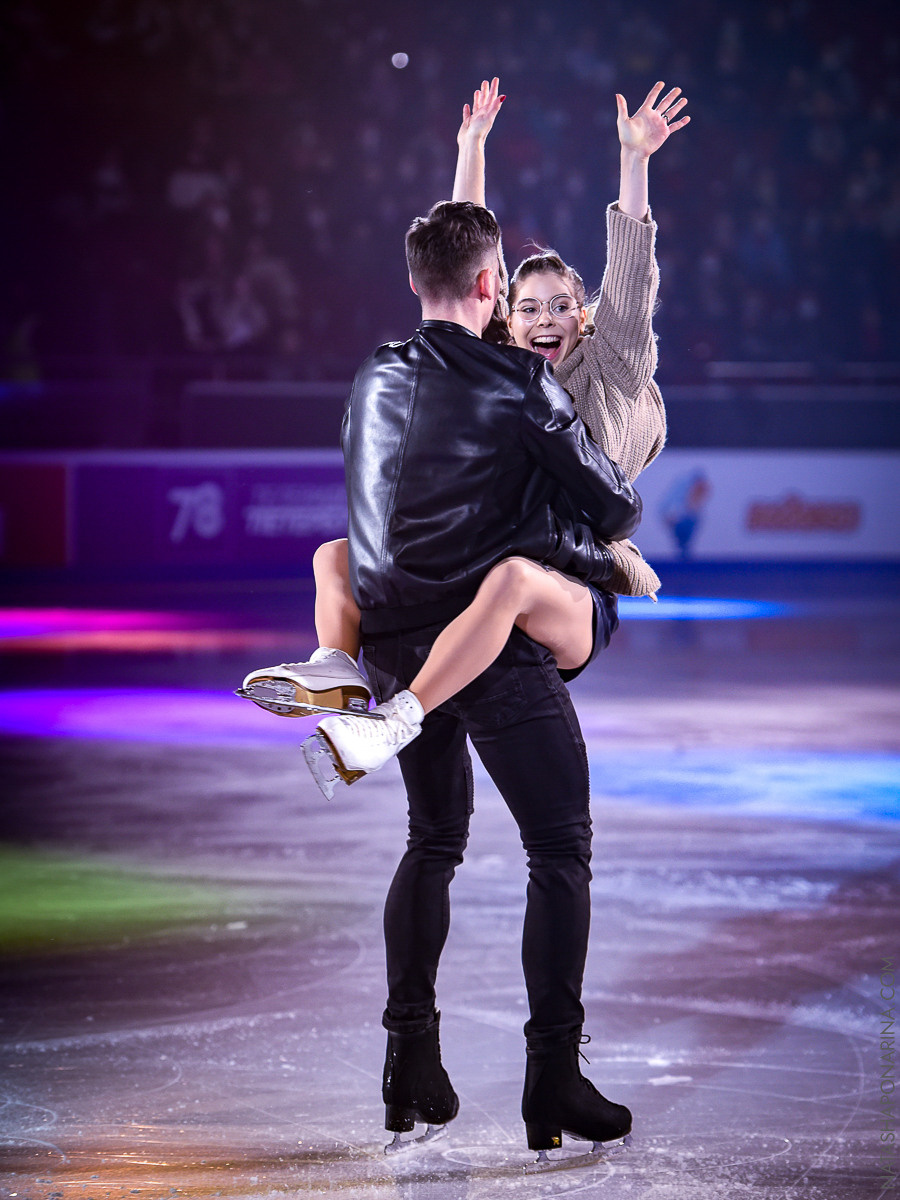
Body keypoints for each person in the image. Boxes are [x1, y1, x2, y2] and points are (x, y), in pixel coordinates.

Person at [313, 194, 641, 1156]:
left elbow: (381, 508)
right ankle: (553, 1080)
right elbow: (614, 506)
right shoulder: (520, 383)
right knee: (559, 850)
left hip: (392, 642)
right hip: (487, 646)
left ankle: (408, 1065)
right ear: (496, 288)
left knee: (433, 840)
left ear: (415, 281)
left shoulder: (372, 375)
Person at [240, 80, 689, 768]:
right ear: (504, 311)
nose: (544, 319)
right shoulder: (508, 365)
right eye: (528, 307)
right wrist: (471, 148)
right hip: (502, 554)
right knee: (335, 555)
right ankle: (336, 668)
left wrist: (635, 161)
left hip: (569, 566)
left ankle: (396, 718)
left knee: (509, 580)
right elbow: (463, 264)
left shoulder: (612, 363)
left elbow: (630, 279)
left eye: (560, 306)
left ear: (584, 316)